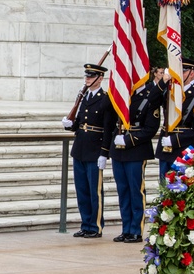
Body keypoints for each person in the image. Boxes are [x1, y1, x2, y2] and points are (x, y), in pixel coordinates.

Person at [101, 80, 164, 243]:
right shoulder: (121, 95)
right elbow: (106, 112)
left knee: (136, 191)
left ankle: (136, 230)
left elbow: (151, 128)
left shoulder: (150, 97)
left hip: (136, 150)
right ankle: (126, 228)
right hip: (118, 150)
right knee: (123, 191)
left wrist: (128, 140)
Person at [61, 63, 109, 239]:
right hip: (80, 148)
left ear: (100, 78)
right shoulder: (84, 97)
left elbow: (107, 127)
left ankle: (95, 226)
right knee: (82, 190)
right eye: (86, 76)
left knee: (94, 191)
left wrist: (104, 152)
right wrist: (70, 124)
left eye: (91, 76)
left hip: (95, 149)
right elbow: (80, 122)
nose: (87, 79)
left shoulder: (105, 98)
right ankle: (85, 224)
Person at [154, 59, 194, 181]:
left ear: (192, 73)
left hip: (185, 149)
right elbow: (152, 100)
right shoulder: (170, 88)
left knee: (183, 192)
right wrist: (163, 82)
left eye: (182, 71)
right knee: (164, 191)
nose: (178, 74)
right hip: (165, 148)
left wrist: (174, 140)